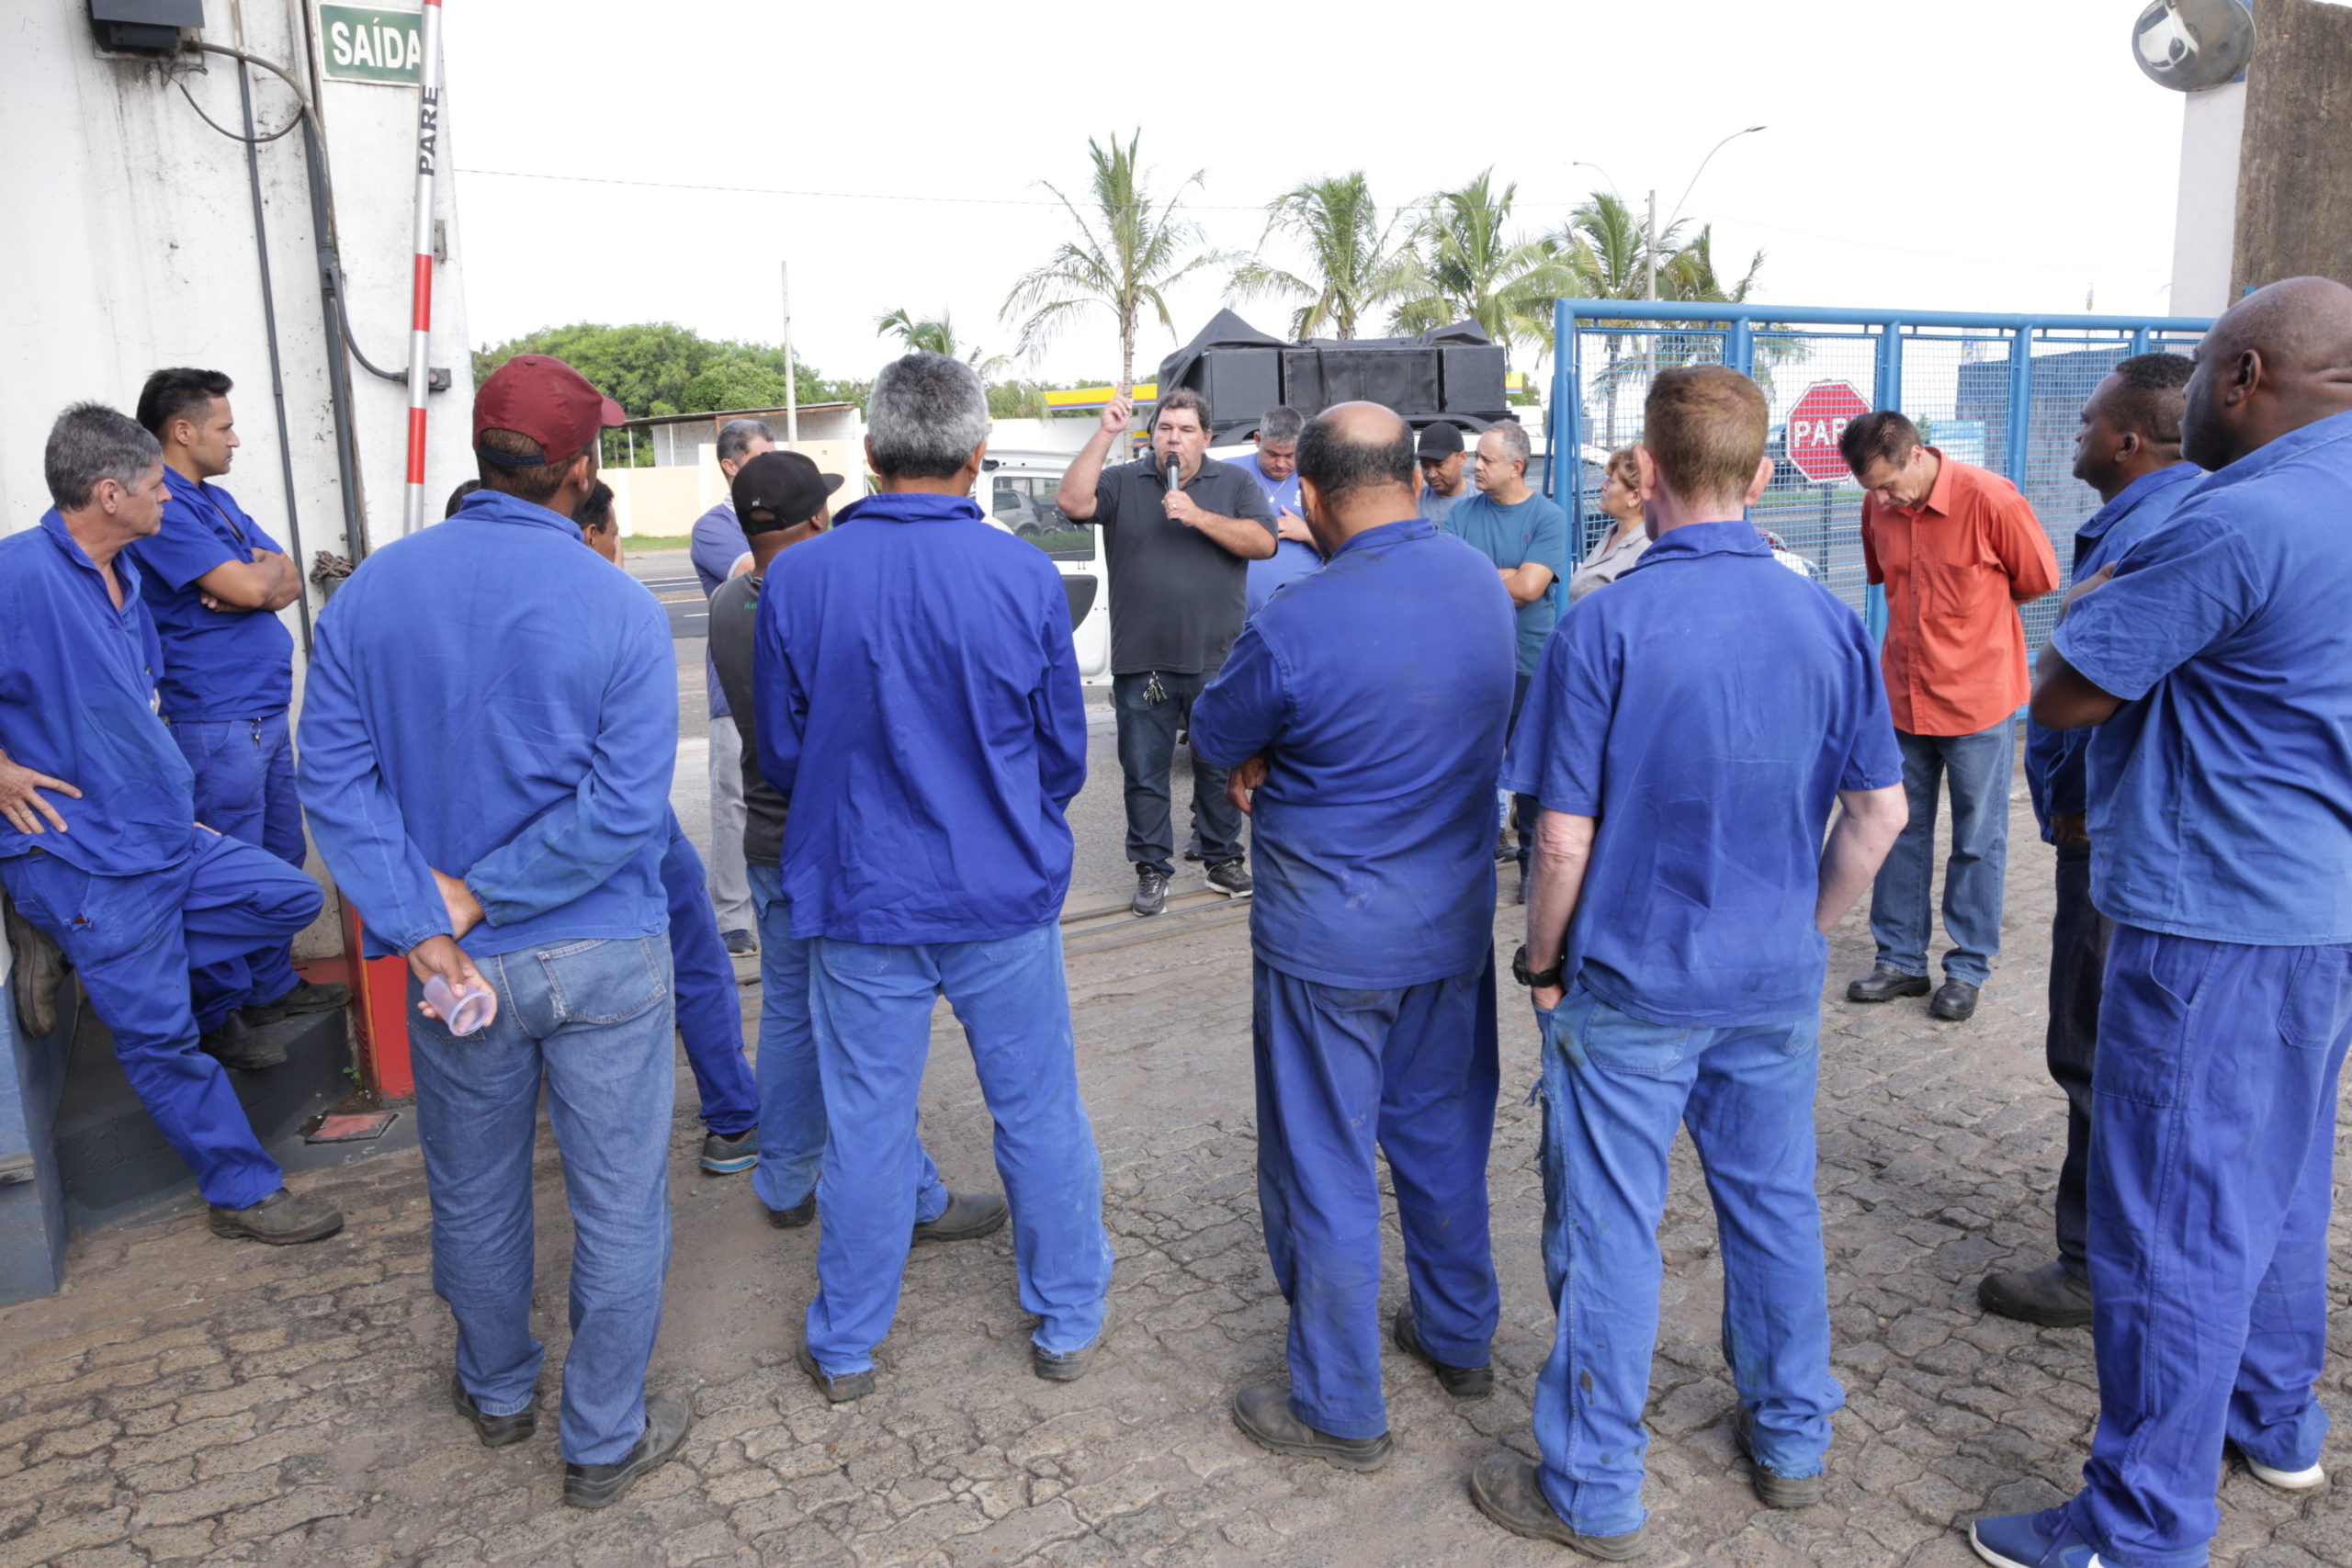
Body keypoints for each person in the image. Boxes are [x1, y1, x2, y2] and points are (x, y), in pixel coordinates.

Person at [1473, 367, 1907, 1555]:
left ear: (1647, 474)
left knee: (1611, 1221)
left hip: (1631, 981)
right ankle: (1791, 1436)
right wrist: (1809, 926)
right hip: (1769, 975)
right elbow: (1880, 814)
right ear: (1763, 475)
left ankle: (1597, 1485)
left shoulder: (1604, 621)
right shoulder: (1825, 615)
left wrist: (1539, 960)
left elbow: (1561, 836)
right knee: (1773, 1203)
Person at [1969, 277, 2352, 1568]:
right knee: (2283, 1182)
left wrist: (2103, 607)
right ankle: (2274, 1419)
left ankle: (2138, 1522)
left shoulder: (2243, 516)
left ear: (2243, 375)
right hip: (2320, 906)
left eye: (2195, 375)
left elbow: (2070, 692)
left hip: (2215, 916)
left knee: (2175, 1220)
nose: (2181, 401)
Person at [297, 355, 689, 1508]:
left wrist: (428, 922)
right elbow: (624, 810)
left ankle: (499, 1390)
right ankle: (603, 1438)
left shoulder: (370, 593)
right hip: (600, 954)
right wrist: (479, 895)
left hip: (453, 972)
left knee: (473, 1191)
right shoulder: (617, 602)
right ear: (578, 471)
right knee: (620, 1202)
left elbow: (336, 783)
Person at [758, 352, 1112, 1400]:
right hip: (999, 890)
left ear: (868, 455)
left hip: (861, 891)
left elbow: (783, 752)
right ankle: (1066, 1317)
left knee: (866, 1124)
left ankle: (848, 1343)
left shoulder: (800, 577)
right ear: (975, 457)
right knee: (1039, 1109)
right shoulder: (1022, 575)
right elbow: (1060, 757)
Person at [1192, 402, 1516, 1473]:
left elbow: (1217, 734)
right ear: (1419, 481)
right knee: (1440, 1140)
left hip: (1327, 943)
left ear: (1314, 500)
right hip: (1448, 931)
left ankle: (1339, 1406)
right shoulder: (1478, 584)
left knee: (1323, 1163)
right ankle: (1460, 1336)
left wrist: (1265, 760)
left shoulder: (1295, 619)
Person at [0, 404, 344, 1245]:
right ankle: (241, 1191)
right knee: (164, 1042)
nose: (168, 499)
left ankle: (80, 947)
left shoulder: (127, 579)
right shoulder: (21, 573)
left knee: (286, 899)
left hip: (164, 838)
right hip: (86, 858)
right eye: (156, 486)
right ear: (110, 493)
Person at [710, 450, 1002, 1244]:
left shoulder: (727, 601)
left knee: (789, 1017)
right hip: (832, 845)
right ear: (815, 520)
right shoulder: (820, 601)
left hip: (765, 839)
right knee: (862, 1046)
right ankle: (910, 1195)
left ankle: (782, 1176)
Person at [1977, 354, 2199, 1332]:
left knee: (2094, 1050)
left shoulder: (2151, 531)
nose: (2074, 438)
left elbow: (2073, 697)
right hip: (2140, 833)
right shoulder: (2186, 515)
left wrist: (2066, 810)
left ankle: (2092, 1266)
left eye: (2084, 425)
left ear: (2127, 439)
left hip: (2115, 838)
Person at [126, 368, 347, 1067]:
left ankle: (268, 985)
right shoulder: (162, 509)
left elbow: (277, 571)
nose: (236, 439)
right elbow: (257, 582)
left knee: (277, 854)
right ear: (182, 431)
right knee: (225, 868)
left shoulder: (213, 502)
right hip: (214, 719)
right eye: (223, 426)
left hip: (259, 713)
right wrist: (251, 582)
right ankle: (218, 1015)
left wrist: (257, 582)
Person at [1841, 409, 2058, 1022]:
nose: (1882, 498)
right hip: (1903, 695)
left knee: (1977, 837)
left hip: (1977, 699)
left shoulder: (1991, 499)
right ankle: (1901, 960)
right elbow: (1885, 579)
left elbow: (2038, 577)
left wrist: (1975, 620)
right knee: (1898, 829)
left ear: (1916, 454)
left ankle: (1966, 967)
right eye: (1872, 490)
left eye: (1888, 483)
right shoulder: (1877, 507)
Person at [571, 482, 762, 1177]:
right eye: (616, 532)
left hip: (490, 852)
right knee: (695, 960)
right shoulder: (614, 606)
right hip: (625, 823)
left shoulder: (439, 598)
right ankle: (735, 1120)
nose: (620, 547)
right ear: (590, 533)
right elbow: (637, 758)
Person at [1055, 389, 1277, 917]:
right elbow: (1072, 502)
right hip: (1143, 661)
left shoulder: (1236, 483)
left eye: (1184, 429)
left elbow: (1263, 542)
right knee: (1145, 772)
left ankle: (1222, 859)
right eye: (1164, 429)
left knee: (1219, 767)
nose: (1173, 439)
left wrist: (1198, 516)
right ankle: (1152, 868)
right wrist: (1107, 431)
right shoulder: (1124, 481)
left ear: (1205, 437)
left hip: (1217, 659)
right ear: (1152, 434)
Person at [1439, 420, 1570, 898]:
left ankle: (1532, 868)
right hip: (1472, 663)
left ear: (1517, 466)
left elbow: (1533, 588)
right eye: (1476, 457)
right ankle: (1469, 864)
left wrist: (1486, 580)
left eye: (1486, 459)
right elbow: (1449, 586)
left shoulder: (1547, 517)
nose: (1475, 466)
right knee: (1470, 767)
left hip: (1528, 663)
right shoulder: (1462, 514)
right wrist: (1507, 577)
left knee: (1532, 774)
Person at [689, 417, 777, 957]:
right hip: (735, 683)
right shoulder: (714, 526)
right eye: (761, 455)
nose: (770, 464)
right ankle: (731, 917)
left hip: (789, 681)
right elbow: (755, 568)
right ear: (731, 465)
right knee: (734, 801)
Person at [1235, 406, 1318, 614]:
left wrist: (1307, 533)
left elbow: (1344, 549)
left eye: (1290, 455)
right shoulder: (1229, 474)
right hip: (1238, 618)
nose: (1281, 464)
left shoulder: (1319, 478)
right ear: (1257, 439)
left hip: (1301, 614)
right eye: (1272, 454)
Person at [1566, 445, 1648, 602]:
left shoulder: (1645, 550)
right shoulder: (1613, 532)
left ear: (1635, 497)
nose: (1602, 485)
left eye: (1611, 481)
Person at [1415, 422, 1472, 526]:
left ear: (1462, 458)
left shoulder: (1483, 500)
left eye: (1439, 464)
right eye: (1425, 466)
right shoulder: (1415, 503)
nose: (1432, 474)